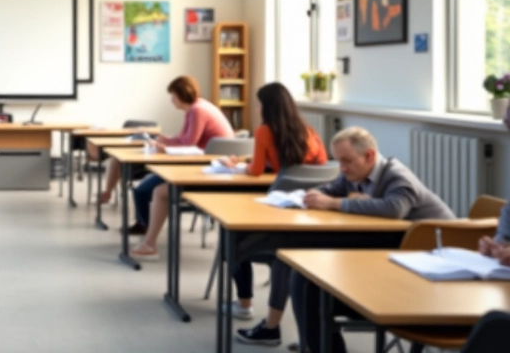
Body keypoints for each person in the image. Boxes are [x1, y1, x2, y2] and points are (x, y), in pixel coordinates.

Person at [291, 126, 455, 353]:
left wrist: (336, 203)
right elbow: (330, 189)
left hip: (427, 270)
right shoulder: (352, 173)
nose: (343, 168)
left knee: (313, 285)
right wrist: (314, 194)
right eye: (338, 162)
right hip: (390, 255)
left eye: (347, 161)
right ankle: (319, 344)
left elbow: (394, 208)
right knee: (305, 276)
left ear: (369, 155)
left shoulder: (397, 175)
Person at [214, 83, 329, 346]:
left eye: (258, 103)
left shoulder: (265, 131)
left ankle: (244, 302)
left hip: (277, 209)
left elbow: (255, 171)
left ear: (268, 107)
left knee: (230, 235)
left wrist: (236, 165)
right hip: (308, 212)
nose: (256, 108)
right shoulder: (309, 131)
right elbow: (321, 166)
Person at [119, 76, 233, 246]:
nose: (172, 100)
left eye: (173, 96)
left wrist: (163, 144)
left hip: (204, 168)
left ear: (181, 94)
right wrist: (163, 140)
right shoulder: (196, 108)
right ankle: (145, 226)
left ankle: (145, 227)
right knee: (144, 188)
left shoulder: (197, 111)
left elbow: (189, 143)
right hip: (206, 164)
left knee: (142, 190)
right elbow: (183, 139)